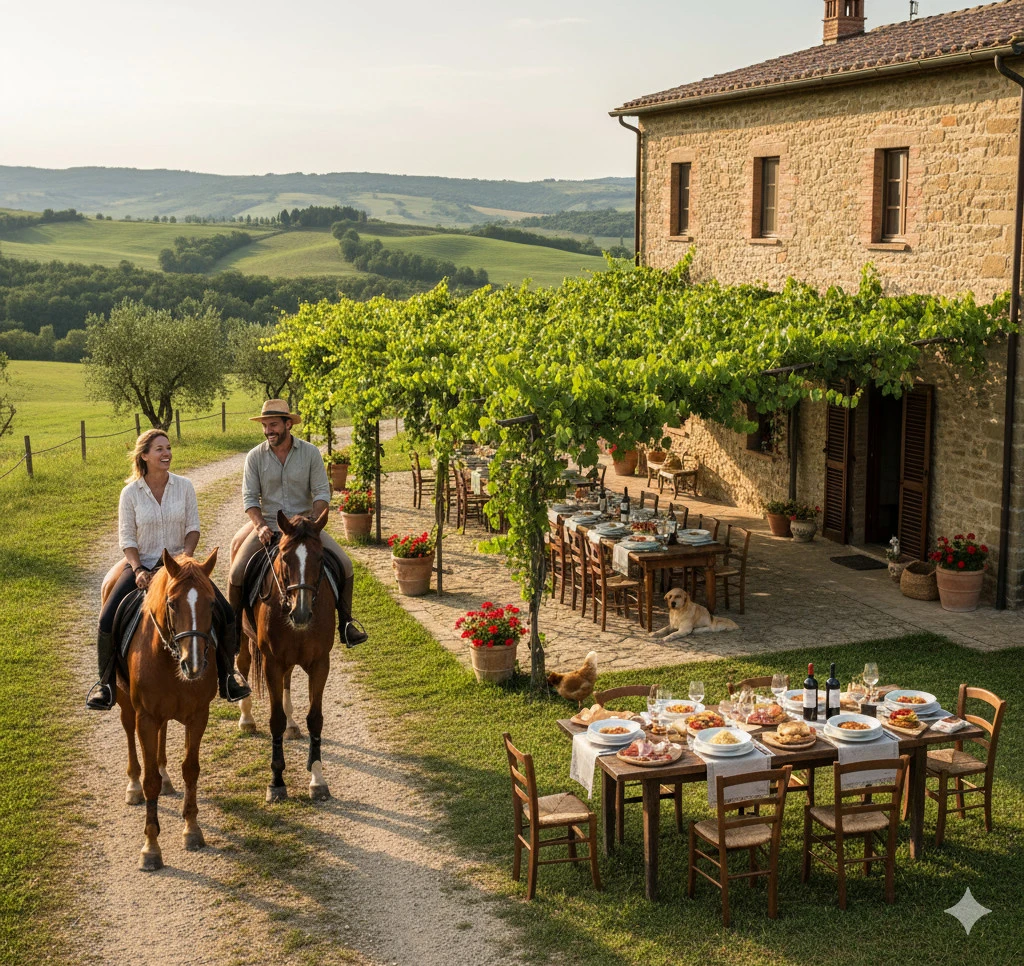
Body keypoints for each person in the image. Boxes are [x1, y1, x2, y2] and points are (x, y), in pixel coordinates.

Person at [86, 430, 251, 711]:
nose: (167, 454)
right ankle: (105, 684)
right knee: (107, 617)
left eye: (169, 448)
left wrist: (185, 560)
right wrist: (138, 569)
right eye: (159, 449)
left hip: (179, 567)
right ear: (144, 456)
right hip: (144, 565)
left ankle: (227, 677)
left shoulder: (184, 486)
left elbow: (193, 527)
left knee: (223, 611)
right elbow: (127, 538)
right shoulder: (130, 494)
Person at [228, 399, 367, 647]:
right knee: (237, 571)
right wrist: (259, 525)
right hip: (271, 525)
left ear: (288, 424)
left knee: (345, 565)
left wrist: (313, 521)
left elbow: (322, 492)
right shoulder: (254, 457)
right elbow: (249, 497)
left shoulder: (310, 453)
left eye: (273, 425)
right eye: (265, 426)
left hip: (306, 527)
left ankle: (346, 623)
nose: (268, 430)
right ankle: (234, 632)